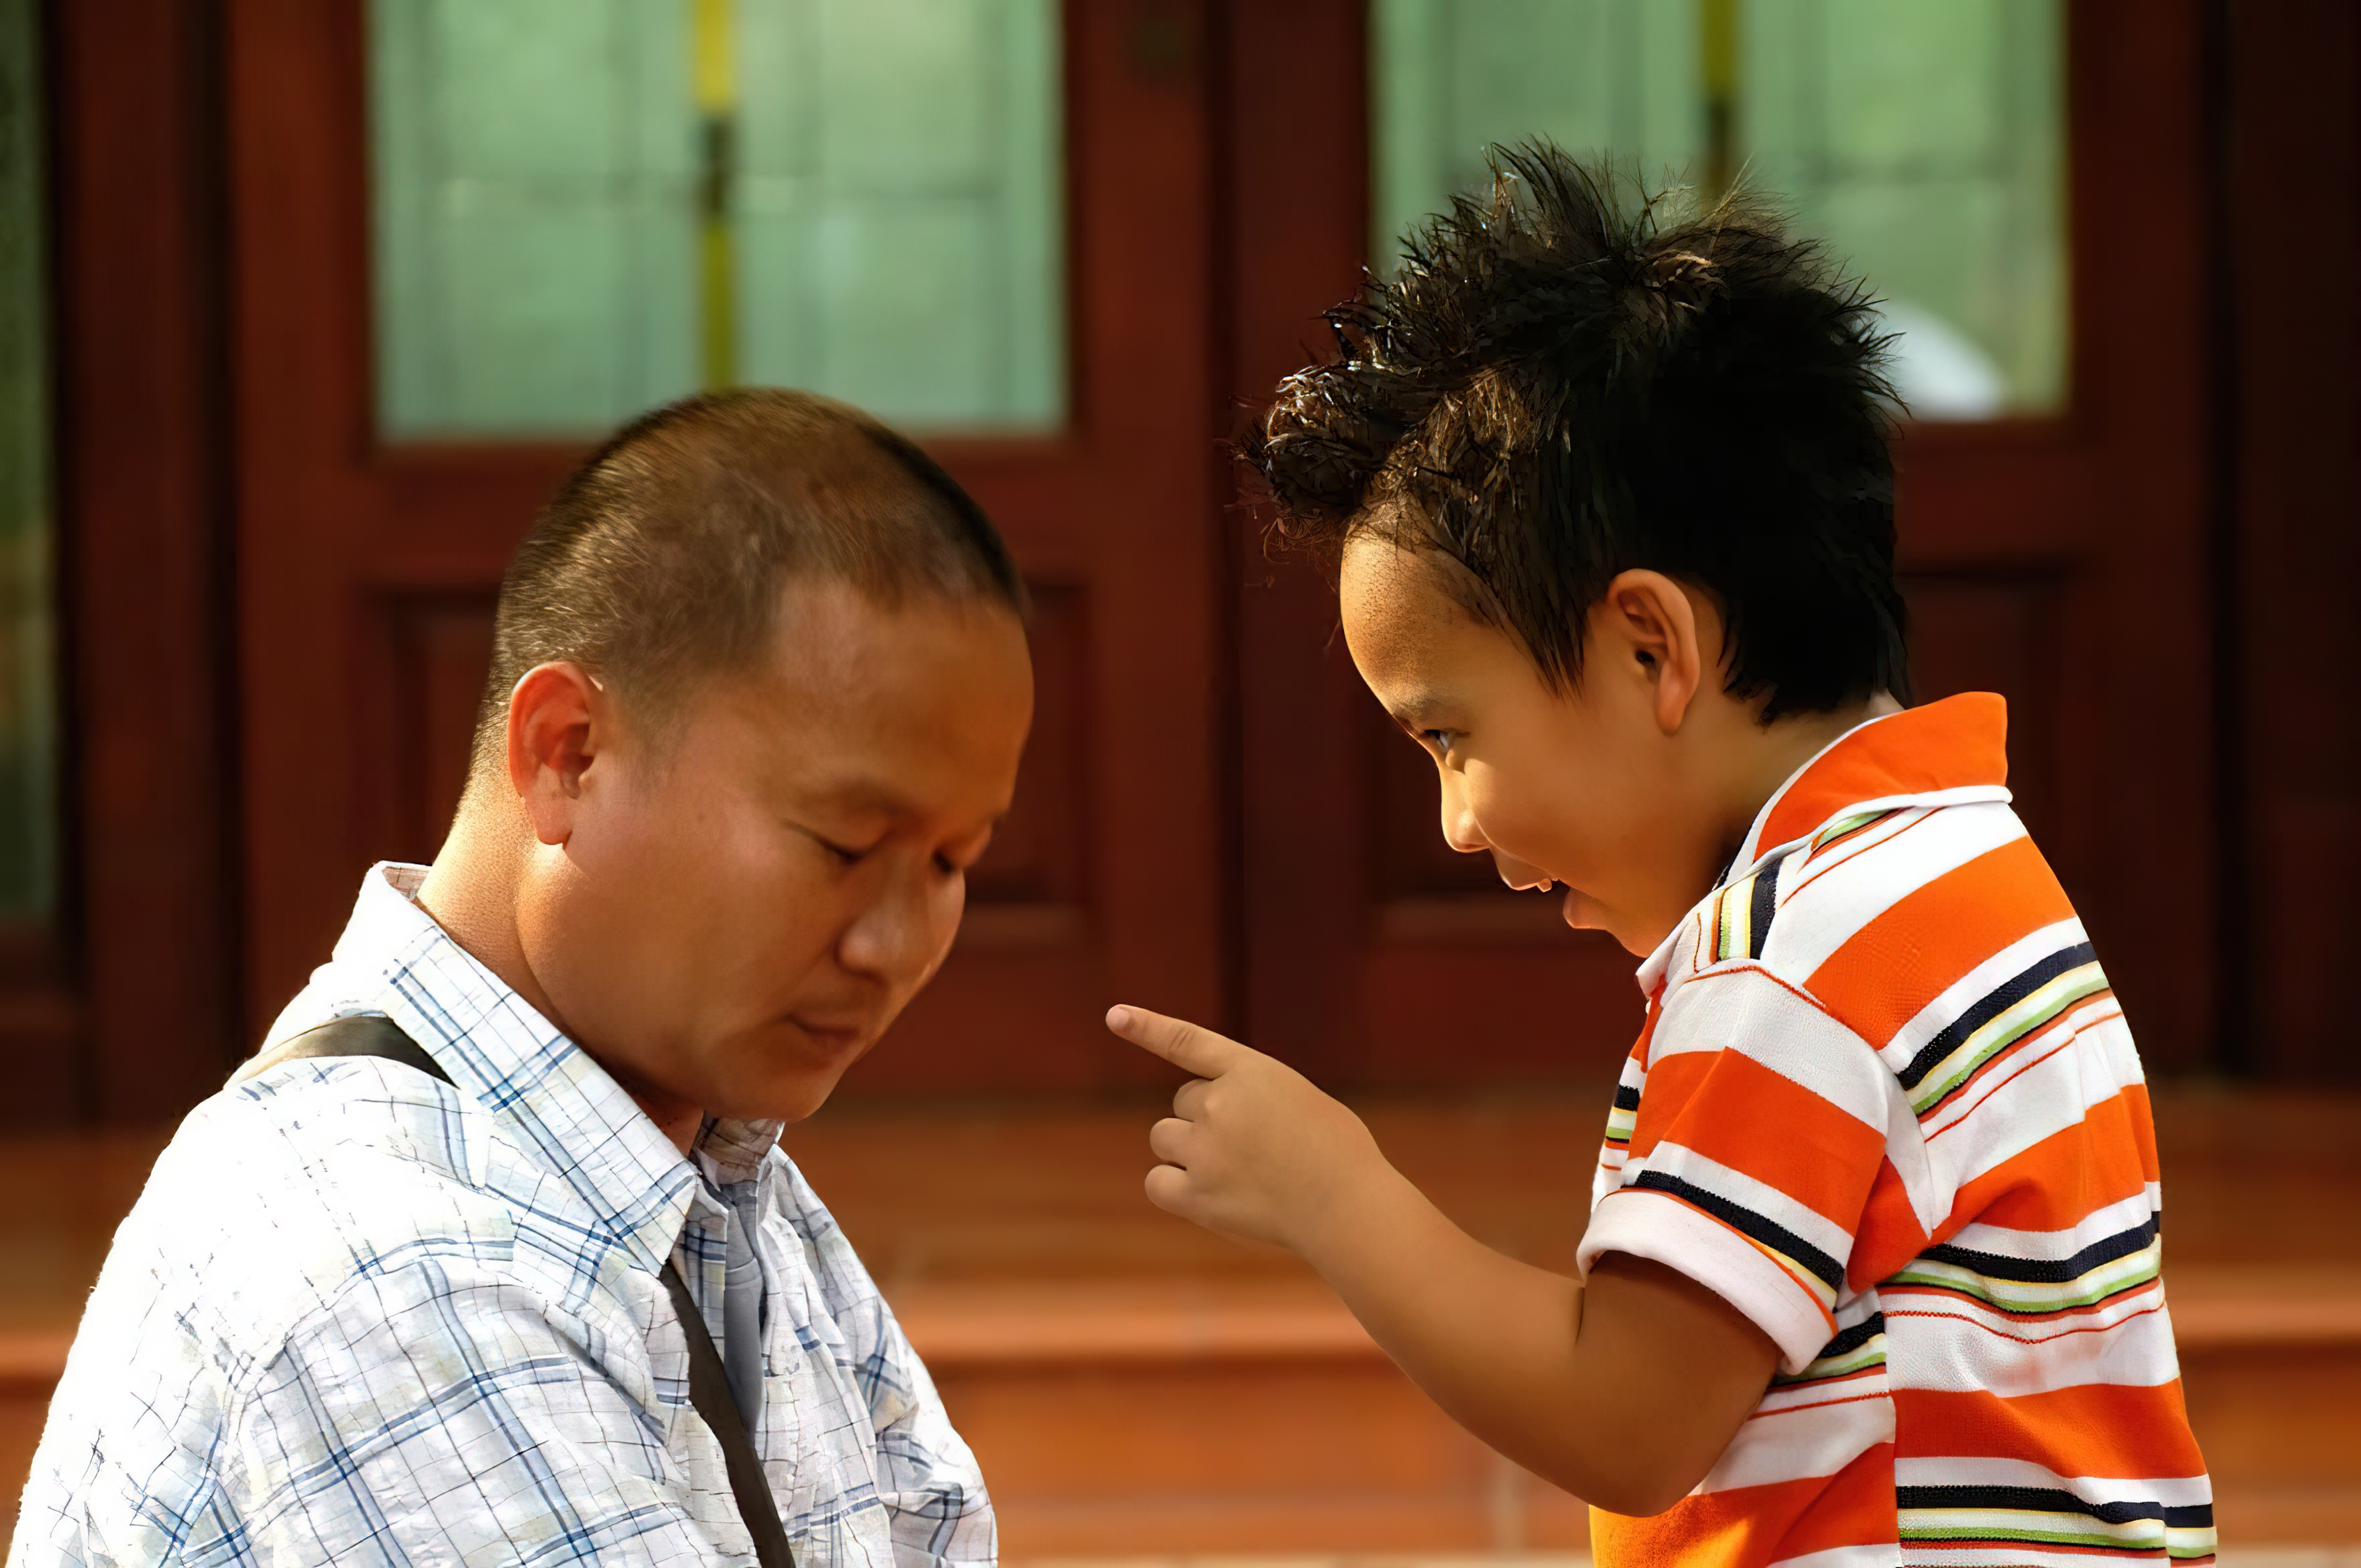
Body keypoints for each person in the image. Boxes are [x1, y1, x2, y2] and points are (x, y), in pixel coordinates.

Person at [1105, 148, 2215, 1568]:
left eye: (1449, 735)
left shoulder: (1788, 962)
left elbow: (1626, 1416)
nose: (1454, 822)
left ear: (1650, 647)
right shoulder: (1957, 859)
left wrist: (1335, 1194)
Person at [12, 389, 1032, 1567]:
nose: (894, 944)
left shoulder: (714, 1172)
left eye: (953, 859)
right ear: (568, 752)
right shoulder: (396, 1277)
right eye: (845, 845)